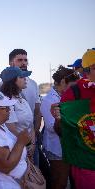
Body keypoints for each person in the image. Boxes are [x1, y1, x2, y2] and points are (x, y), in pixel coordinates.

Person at [52, 49, 95, 189]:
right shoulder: (74, 93)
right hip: (87, 168)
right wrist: (59, 119)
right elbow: (61, 131)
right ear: (87, 71)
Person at [40, 66, 79, 189]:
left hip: (70, 147)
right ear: (62, 82)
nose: (74, 89)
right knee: (60, 182)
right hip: (56, 149)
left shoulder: (70, 96)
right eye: (72, 86)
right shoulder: (48, 100)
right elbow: (52, 128)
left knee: (73, 180)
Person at [7, 49, 42, 165]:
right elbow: (6, 123)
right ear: (11, 63)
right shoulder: (3, 86)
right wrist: (23, 143)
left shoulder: (33, 84)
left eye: (25, 60)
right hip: (14, 143)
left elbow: (37, 113)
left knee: (35, 176)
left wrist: (34, 136)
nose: (24, 63)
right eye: (20, 60)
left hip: (32, 139)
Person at [0, 67, 35, 162]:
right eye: (21, 77)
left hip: (28, 147)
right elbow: (11, 129)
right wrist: (27, 144)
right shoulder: (6, 103)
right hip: (17, 150)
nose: (25, 79)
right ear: (13, 81)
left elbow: (31, 126)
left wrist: (33, 143)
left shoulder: (22, 100)